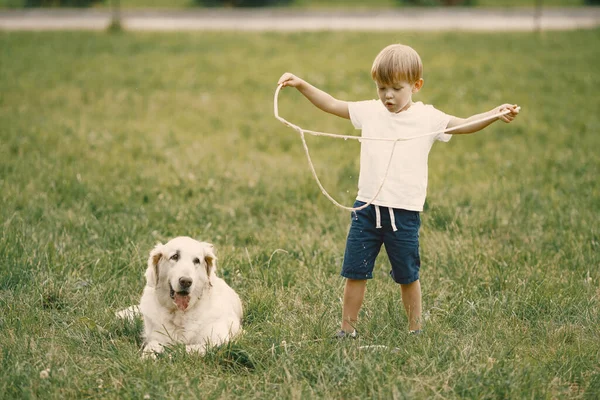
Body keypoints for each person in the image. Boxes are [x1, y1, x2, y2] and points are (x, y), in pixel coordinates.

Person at [277, 43, 519, 337]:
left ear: (416, 86)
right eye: (381, 88)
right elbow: (331, 103)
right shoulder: (370, 111)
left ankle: (415, 330)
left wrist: (494, 113)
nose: (387, 95)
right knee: (355, 272)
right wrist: (301, 84)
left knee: (407, 275)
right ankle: (347, 330)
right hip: (365, 210)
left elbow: (465, 125)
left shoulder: (428, 118)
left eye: (396, 88)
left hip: (404, 214)